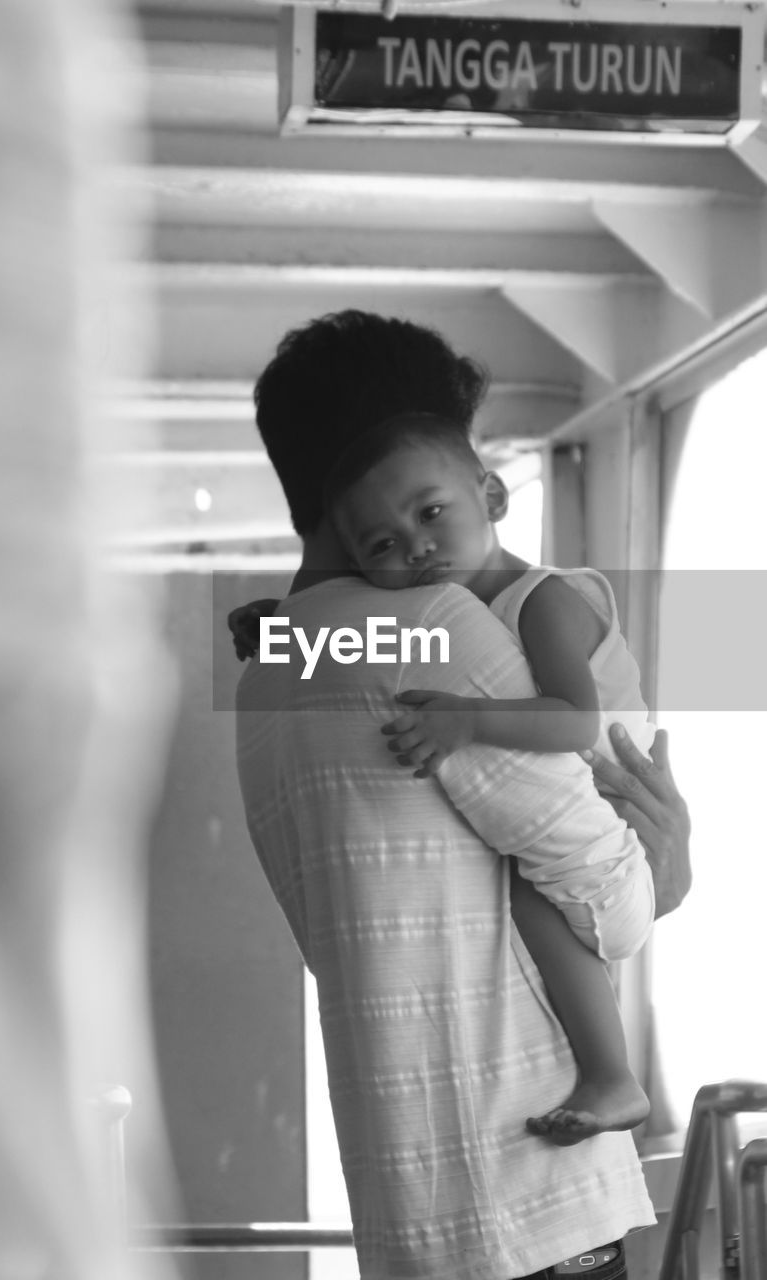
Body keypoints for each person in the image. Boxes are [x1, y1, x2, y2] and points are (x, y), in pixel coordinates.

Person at [234, 310, 691, 1280]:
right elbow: (609, 906)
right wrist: (668, 863)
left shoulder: (270, 664)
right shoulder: (429, 627)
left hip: (409, 1207)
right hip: (527, 1197)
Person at [322, 408, 654, 1144]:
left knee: (527, 891)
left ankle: (612, 1073)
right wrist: (282, 622)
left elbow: (571, 719)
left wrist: (466, 721)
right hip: (590, 807)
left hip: (617, 808)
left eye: (432, 512)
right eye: (383, 544)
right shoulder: (449, 607)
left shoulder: (542, 599)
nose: (417, 548)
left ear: (493, 499)